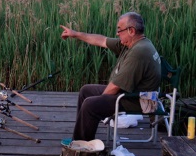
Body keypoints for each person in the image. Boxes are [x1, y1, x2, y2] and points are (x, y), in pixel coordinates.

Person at [60, 12, 161, 141]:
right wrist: (75, 34)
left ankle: (82, 149)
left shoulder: (138, 52)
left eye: (120, 30)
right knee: (86, 91)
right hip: (129, 93)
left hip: (138, 100)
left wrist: (99, 103)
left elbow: (114, 87)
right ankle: (81, 138)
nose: (117, 33)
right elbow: (102, 40)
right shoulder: (134, 43)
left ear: (131, 30)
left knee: (90, 105)